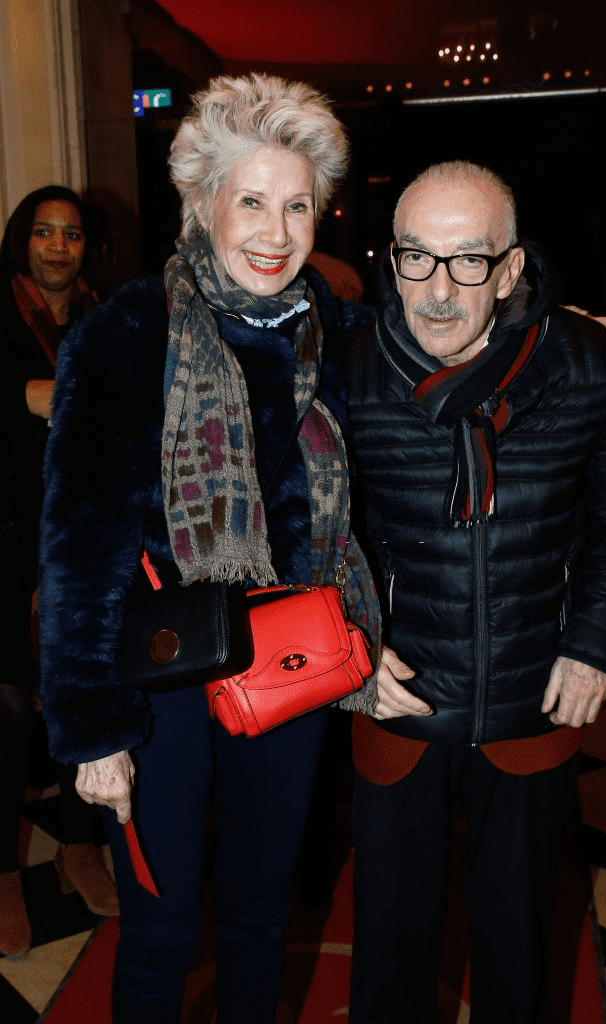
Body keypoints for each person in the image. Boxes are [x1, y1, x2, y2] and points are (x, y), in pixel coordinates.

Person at [38, 75, 379, 1024]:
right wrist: (91, 730)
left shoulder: (341, 334)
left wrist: (565, 334)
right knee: (158, 921)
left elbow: (456, 342)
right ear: (202, 204)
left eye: (298, 204)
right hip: (156, 686)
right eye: (252, 201)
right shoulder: (125, 335)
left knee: (261, 912)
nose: (276, 232)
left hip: (293, 664)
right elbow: (76, 545)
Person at [344, 160, 606, 1024]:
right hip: (396, 697)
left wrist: (594, 642)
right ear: (390, 259)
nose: (438, 290)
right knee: (388, 948)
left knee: (519, 944)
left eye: (468, 261)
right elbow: (304, 529)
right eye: (416, 257)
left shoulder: (584, 362)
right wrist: (348, 645)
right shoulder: (344, 368)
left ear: (513, 269)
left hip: (535, 697)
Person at [0, 186, 119, 958]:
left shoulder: (105, 317)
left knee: (86, 695)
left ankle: (80, 843)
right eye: (43, 232)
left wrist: (55, 399)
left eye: (70, 234)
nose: (56, 246)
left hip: (81, 536)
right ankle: (3, 875)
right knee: (8, 712)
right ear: (22, 240)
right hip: (5, 536)